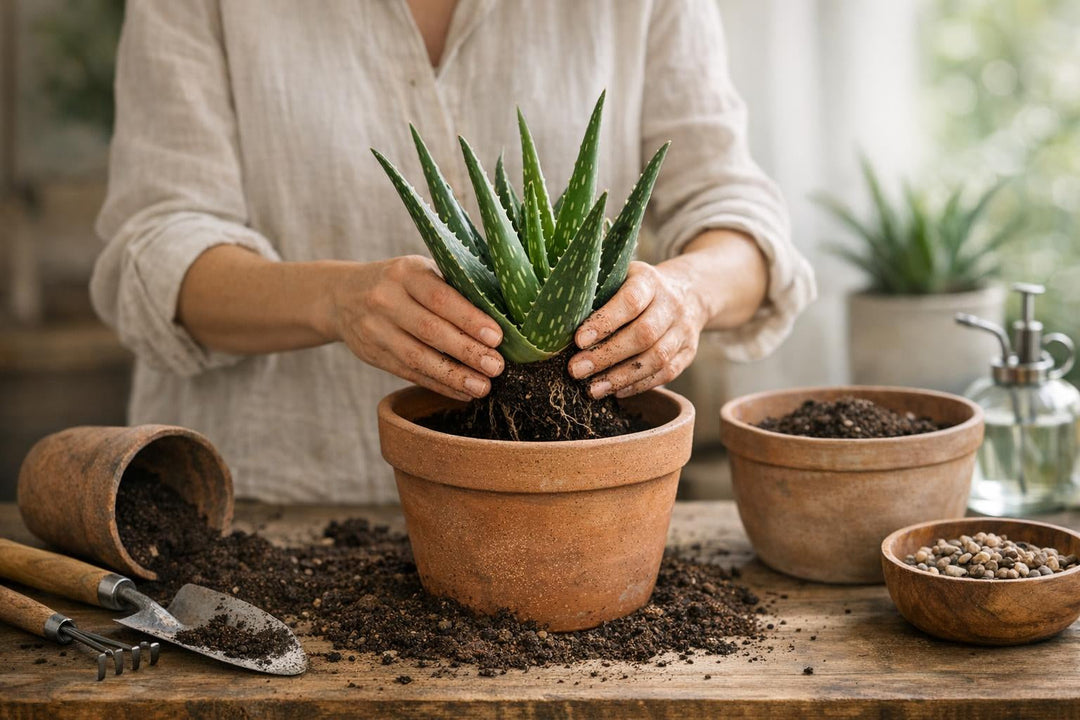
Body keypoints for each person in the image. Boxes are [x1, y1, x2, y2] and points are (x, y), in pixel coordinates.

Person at [91, 0, 816, 503]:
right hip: (257, 500)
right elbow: (154, 252)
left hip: (559, 501)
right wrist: (335, 301)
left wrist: (687, 295)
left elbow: (738, 218)